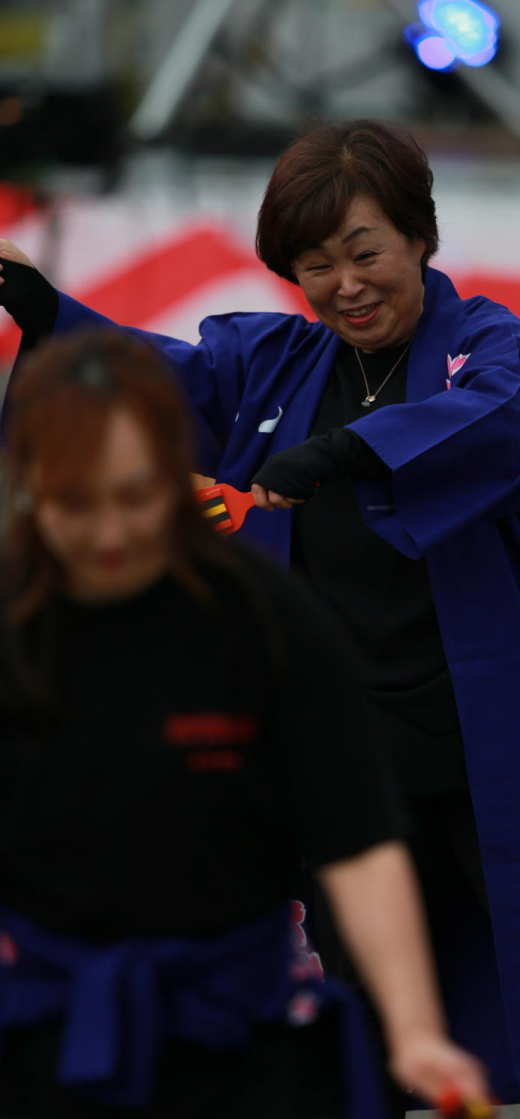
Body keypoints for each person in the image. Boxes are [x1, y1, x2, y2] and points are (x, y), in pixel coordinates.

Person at [0, 119, 520, 1118]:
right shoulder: (270, 360)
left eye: (364, 251)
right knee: (356, 1017)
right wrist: (46, 309)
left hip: (487, 734)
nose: (343, 284)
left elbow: (503, 423)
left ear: (418, 238)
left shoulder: (486, 345)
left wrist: (340, 453)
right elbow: (151, 378)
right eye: (315, 265)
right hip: (347, 749)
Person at [0, 329, 489, 1119]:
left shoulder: (268, 621)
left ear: (174, 473)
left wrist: (415, 1028)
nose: (110, 534)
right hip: (41, 1026)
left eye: (135, 496)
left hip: (240, 1032)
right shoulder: (11, 626)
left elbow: (357, 841)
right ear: (29, 487)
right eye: (74, 504)